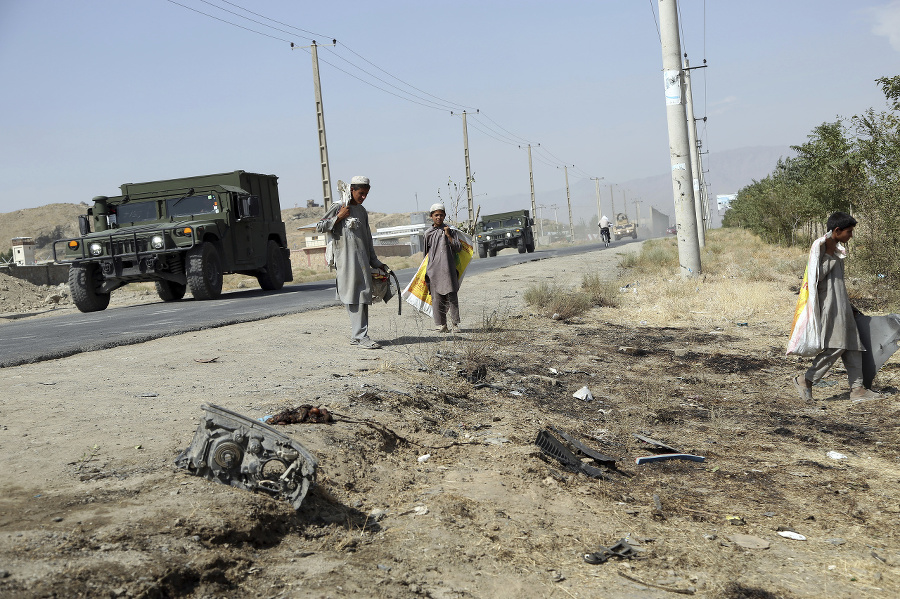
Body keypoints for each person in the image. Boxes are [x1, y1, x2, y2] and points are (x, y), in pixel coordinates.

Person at [792, 212, 880, 401]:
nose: (851, 236)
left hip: (842, 307)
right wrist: (829, 257)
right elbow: (815, 280)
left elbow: (837, 285)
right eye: (849, 232)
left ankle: (858, 390)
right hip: (830, 309)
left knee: (853, 347)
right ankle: (806, 379)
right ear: (837, 231)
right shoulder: (821, 252)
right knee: (837, 346)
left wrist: (849, 306)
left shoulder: (837, 254)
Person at [316, 176, 387, 349]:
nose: (363, 197)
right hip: (345, 261)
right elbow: (320, 227)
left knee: (363, 295)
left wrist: (375, 262)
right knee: (354, 296)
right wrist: (338, 217)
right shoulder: (338, 206)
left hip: (362, 260)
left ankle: (359, 336)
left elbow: (367, 238)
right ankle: (360, 336)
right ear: (352, 190)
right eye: (361, 193)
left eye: (366, 194)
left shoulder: (362, 211)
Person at [424, 203, 462, 333]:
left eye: (441, 215)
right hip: (434, 270)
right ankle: (441, 325)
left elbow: (458, 247)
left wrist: (448, 235)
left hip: (449, 269)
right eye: (436, 215)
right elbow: (425, 255)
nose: (439, 217)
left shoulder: (451, 230)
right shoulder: (428, 233)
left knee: (452, 297)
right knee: (437, 298)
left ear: (444, 215)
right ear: (431, 217)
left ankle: (455, 324)